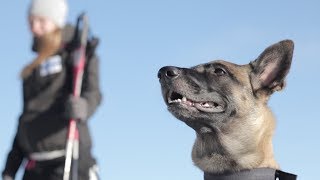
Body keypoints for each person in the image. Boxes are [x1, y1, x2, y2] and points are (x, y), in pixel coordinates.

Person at [2, 0, 102, 179]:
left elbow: (94, 93)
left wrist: (84, 106)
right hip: (34, 166)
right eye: (31, 21)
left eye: (41, 21)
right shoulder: (31, 71)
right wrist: (10, 168)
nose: (34, 27)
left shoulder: (78, 53)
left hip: (68, 158)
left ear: (56, 21)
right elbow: (25, 119)